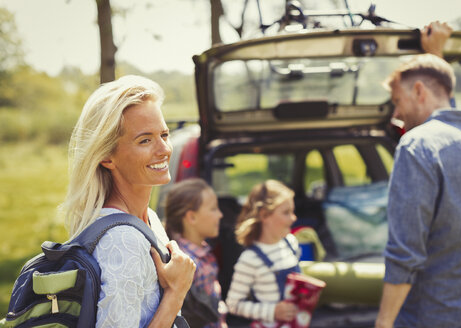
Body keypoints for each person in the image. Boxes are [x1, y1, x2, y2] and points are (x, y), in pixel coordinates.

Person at [375, 23, 461, 328]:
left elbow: (406, 253)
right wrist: (434, 56)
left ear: (418, 91)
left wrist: (383, 323)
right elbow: (447, 117)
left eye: (398, 101)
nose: (396, 114)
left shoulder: (415, 146)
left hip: (428, 317)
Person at [62, 75, 196, 328]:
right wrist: (176, 293)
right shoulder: (123, 241)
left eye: (164, 135)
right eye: (145, 140)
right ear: (107, 157)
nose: (164, 149)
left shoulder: (149, 219)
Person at [226, 180, 300, 327]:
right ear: (264, 215)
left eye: (292, 212)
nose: (293, 218)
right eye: (286, 213)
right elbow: (233, 304)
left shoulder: (291, 243)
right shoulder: (250, 259)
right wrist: (272, 311)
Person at [165, 178, 228, 328]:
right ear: (191, 217)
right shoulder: (186, 263)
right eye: (213, 209)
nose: (220, 215)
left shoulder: (205, 253)